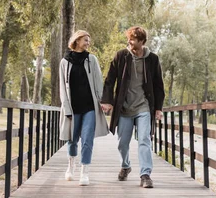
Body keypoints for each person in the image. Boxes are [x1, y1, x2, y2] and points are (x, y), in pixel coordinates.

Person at [101, 26, 165, 188]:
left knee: (144, 139)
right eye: (129, 38)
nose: (129, 42)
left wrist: (158, 108)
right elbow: (110, 80)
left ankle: (145, 175)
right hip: (124, 108)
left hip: (143, 106)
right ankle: (126, 165)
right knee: (123, 143)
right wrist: (107, 101)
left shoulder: (152, 59)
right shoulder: (121, 56)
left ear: (142, 41)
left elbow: (158, 85)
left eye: (133, 39)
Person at [59, 30, 109, 186]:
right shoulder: (64, 62)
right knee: (72, 139)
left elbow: (98, 81)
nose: (88, 43)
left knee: (87, 140)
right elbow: (62, 87)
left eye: (89, 40)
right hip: (72, 108)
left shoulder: (91, 59)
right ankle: (70, 166)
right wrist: (66, 109)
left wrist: (102, 101)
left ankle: (84, 172)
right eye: (86, 40)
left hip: (89, 107)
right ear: (77, 40)